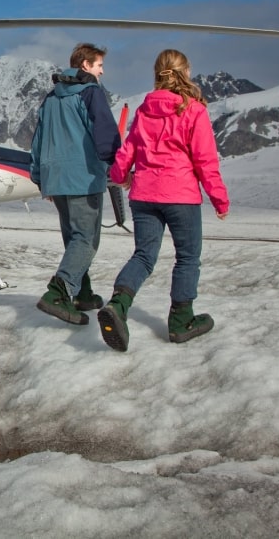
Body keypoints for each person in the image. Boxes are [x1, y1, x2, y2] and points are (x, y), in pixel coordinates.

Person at [99, 48, 230, 352]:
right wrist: (219, 200)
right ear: (185, 72)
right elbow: (205, 160)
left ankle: (118, 306)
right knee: (187, 257)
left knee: (144, 256)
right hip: (180, 196)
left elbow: (127, 151)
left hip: (143, 194)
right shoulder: (194, 110)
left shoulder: (145, 109)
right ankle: (181, 321)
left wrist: (120, 176)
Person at [29, 43, 121, 325]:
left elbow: (38, 140)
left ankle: (82, 292)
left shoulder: (50, 98)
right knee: (86, 240)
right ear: (85, 65)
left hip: (56, 179)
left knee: (73, 237)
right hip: (83, 176)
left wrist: (40, 177)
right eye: (98, 65)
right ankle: (58, 293)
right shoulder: (90, 92)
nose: (102, 71)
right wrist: (115, 165)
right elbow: (105, 132)